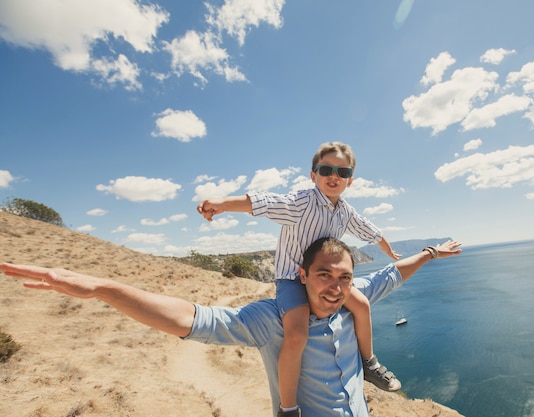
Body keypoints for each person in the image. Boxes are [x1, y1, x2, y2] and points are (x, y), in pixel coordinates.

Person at [0, 238, 462, 417]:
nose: (336, 287)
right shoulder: (273, 320)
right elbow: (190, 318)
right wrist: (104, 288)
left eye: (344, 278)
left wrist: (431, 253)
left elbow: (392, 273)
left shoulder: (350, 303)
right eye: (325, 274)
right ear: (302, 275)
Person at [197, 142, 401, 417]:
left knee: (362, 306)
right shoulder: (302, 202)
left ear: (350, 180)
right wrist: (223, 204)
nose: (334, 176)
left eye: (342, 172)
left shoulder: (344, 211)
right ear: (313, 174)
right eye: (326, 169)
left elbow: (368, 229)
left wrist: (388, 249)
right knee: (296, 335)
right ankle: (288, 408)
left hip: (324, 279)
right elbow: (265, 202)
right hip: (292, 280)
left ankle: (369, 364)